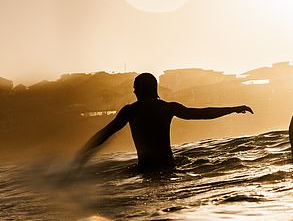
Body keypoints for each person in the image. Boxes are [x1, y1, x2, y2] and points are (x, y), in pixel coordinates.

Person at [73, 72, 253, 172]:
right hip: (169, 166)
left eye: (135, 88)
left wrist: (80, 154)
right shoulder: (167, 108)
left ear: (140, 90)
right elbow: (201, 114)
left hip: (144, 168)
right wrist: (233, 109)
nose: (134, 91)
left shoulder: (131, 111)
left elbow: (105, 133)